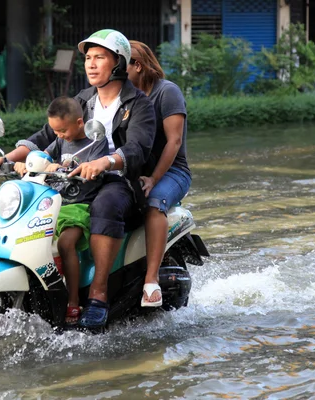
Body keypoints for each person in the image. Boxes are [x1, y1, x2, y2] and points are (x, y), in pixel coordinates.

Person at [0, 29, 156, 329]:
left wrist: (106, 162)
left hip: (117, 181)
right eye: (88, 58)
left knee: (105, 206)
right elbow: (47, 136)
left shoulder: (138, 104)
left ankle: (99, 293)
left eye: (99, 57)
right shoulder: (83, 100)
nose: (90, 64)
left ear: (118, 62)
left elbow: (137, 148)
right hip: (73, 178)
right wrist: (10, 158)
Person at [14, 96, 109, 325]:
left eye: (62, 130)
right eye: (55, 131)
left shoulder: (95, 142)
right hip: (57, 203)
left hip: (80, 206)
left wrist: (73, 167)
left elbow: (93, 168)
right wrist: (25, 163)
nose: (59, 135)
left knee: (66, 243)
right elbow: (42, 158)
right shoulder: (60, 142)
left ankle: (73, 301)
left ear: (79, 122)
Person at [127, 40, 191, 307]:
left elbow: (174, 142)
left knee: (153, 204)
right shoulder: (123, 96)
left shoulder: (167, 92)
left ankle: (150, 282)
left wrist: (154, 178)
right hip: (135, 171)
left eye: (122, 65)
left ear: (138, 65)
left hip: (172, 171)